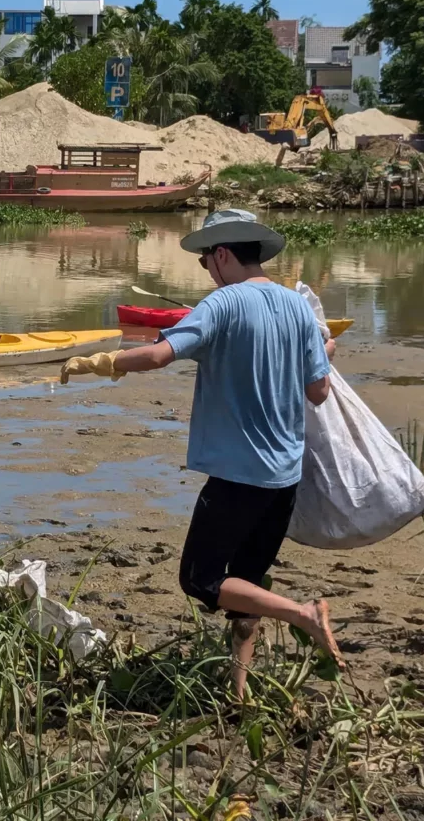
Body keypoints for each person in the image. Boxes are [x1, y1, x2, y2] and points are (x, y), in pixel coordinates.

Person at [60, 209, 344, 698]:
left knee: (200, 579)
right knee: (246, 585)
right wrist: (325, 351)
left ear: (223, 254)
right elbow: (318, 390)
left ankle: (303, 614)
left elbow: (156, 355)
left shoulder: (223, 303)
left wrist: (98, 361)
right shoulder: (299, 310)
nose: (206, 271)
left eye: (205, 261)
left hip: (239, 474)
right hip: (284, 474)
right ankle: (239, 691)